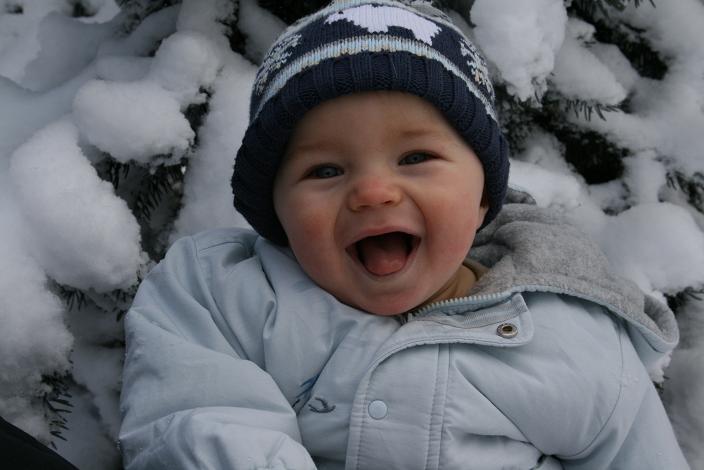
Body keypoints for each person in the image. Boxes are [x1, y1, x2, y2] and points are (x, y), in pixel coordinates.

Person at [118, 1, 690, 468]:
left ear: (483, 196)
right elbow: (198, 424)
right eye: (325, 170)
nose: (373, 192)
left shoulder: (568, 337)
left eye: (415, 157)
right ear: (276, 211)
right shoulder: (225, 295)